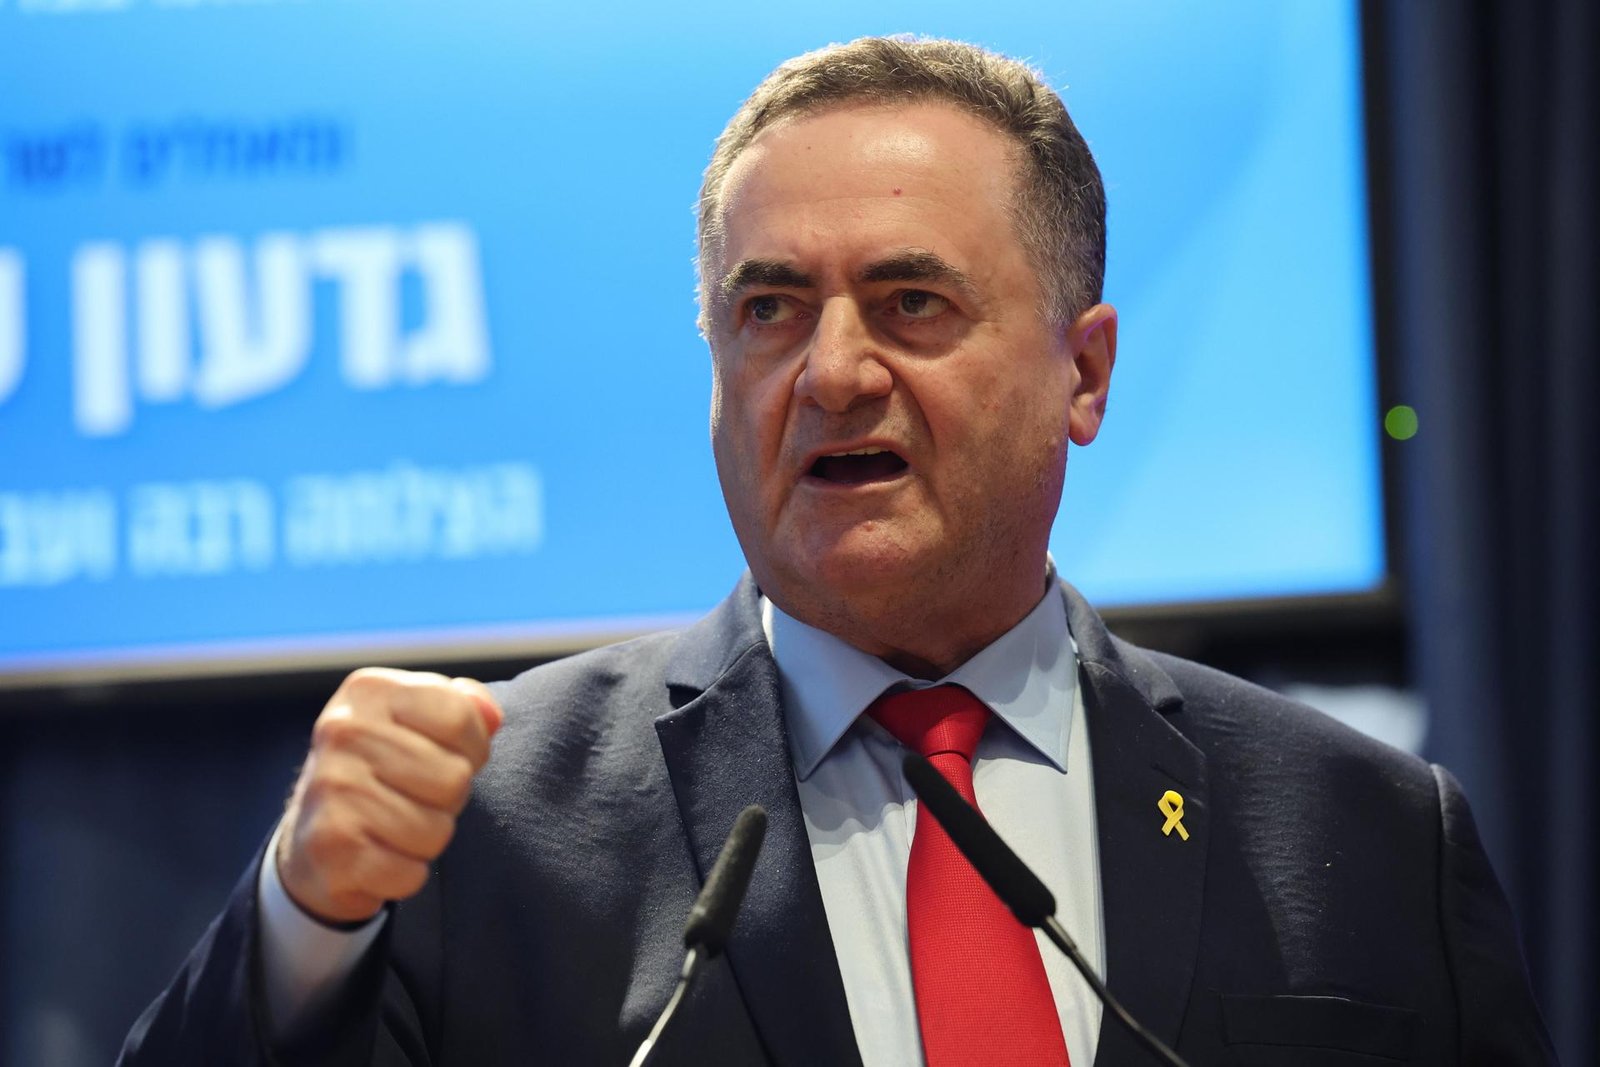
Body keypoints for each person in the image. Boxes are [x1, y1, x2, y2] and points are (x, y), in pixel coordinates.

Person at [119, 36, 1555, 1066]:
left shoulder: (1362, 831)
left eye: (912, 302)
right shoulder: (490, 825)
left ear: (1084, 373)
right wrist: (302, 923)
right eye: (770, 311)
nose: (831, 372)